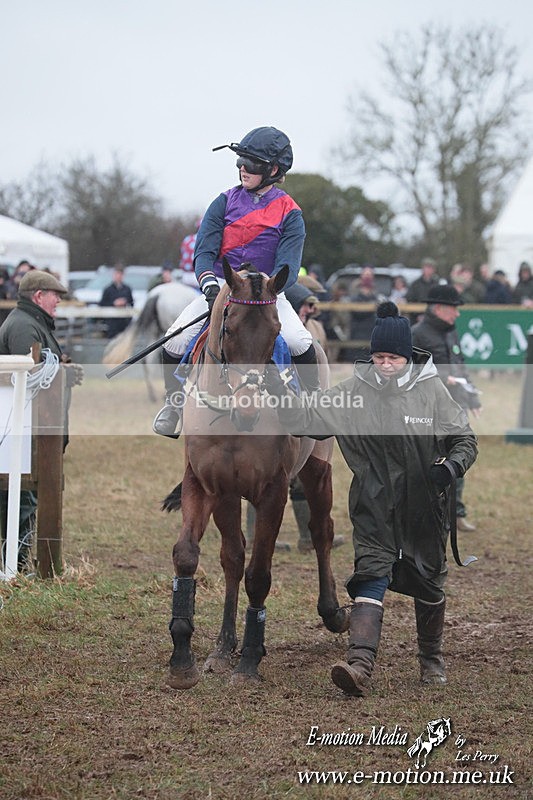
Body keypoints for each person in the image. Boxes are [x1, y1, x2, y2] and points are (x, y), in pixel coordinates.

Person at [264, 301, 477, 695]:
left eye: (393, 357)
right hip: (373, 506)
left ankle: (431, 660)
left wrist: (449, 468)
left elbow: (464, 439)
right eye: (378, 356)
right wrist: (278, 387)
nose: (385, 364)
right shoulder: (353, 394)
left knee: (429, 585)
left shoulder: (431, 391)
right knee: (371, 578)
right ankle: (359, 666)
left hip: (424, 509)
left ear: (408, 356)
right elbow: (304, 418)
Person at [152, 125, 317, 438]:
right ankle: (173, 403)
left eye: (251, 164)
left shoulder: (290, 212)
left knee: (300, 342)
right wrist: (211, 286)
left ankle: (311, 404)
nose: (243, 168)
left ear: (273, 169)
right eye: (240, 161)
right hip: (221, 288)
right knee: (173, 340)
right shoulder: (223, 202)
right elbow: (203, 253)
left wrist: (267, 290)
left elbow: (288, 267)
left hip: (268, 292)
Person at [0, 270, 83, 570]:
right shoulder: (25, 327)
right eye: (54, 294)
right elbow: (30, 378)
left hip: (32, 429)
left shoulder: (30, 323)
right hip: (28, 431)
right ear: (38, 296)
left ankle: (18, 560)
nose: (59, 299)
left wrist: (62, 370)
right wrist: (63, 374)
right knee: (23, 498)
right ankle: (18, 564)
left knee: (26, 497)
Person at [411, 284, 482, 532]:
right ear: (440, 308)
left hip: (456, 405)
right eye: (454, 308)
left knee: (460, 455)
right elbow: (413, 373)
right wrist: (441, 379)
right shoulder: (417, 334)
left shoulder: (452, 333)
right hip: (429, 409)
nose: (458, 314)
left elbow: (460, 365)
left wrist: (472, 397)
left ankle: (457, 512)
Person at [98, 264, 134, 338]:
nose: (118, 276)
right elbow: (102, 304)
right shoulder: (108, 289)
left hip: (124, 321)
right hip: (112, 322)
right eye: (117, 274)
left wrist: (125, 302)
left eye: (120, 274)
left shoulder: (127, 289)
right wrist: (113, 304)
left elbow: (131, 303)